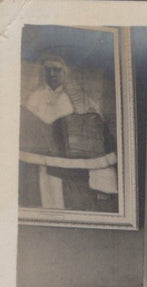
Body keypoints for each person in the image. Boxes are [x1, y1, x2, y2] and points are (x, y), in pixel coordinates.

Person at [19, 52, 118, 211]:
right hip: (38, 169)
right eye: (48, 69)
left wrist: (104, 183)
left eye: (57, 70)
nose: (52, 74)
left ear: (65, 72)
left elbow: (94, 141)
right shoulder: (34, 98)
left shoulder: (78, 100)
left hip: (73, 175)